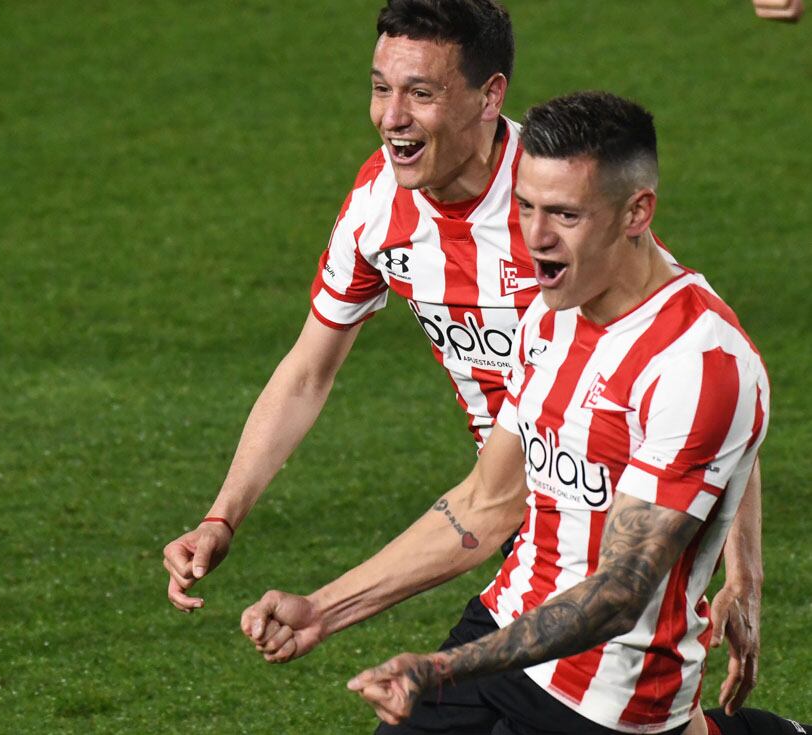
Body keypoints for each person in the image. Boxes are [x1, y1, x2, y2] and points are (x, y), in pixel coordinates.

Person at [163, 0, 762, 713]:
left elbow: (700, 384)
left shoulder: (561, 209)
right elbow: (308, 371)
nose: (393, 117)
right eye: (381, 88)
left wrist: (740, 570)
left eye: (420, 92)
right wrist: (223, 516)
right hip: (509, 499)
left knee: (619, 695)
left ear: (490, 96)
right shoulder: (379, 206)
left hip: (598, 521)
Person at [242, 92, 807, 735]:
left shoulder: (698, 362)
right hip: (506, 622)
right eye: (526, 207)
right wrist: (323, 610)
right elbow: (486, 503)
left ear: (637, 213)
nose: (535, 238)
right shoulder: (550, 312)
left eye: (564, 215)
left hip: (609, 691)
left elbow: (618, 595)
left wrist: (443, 670)